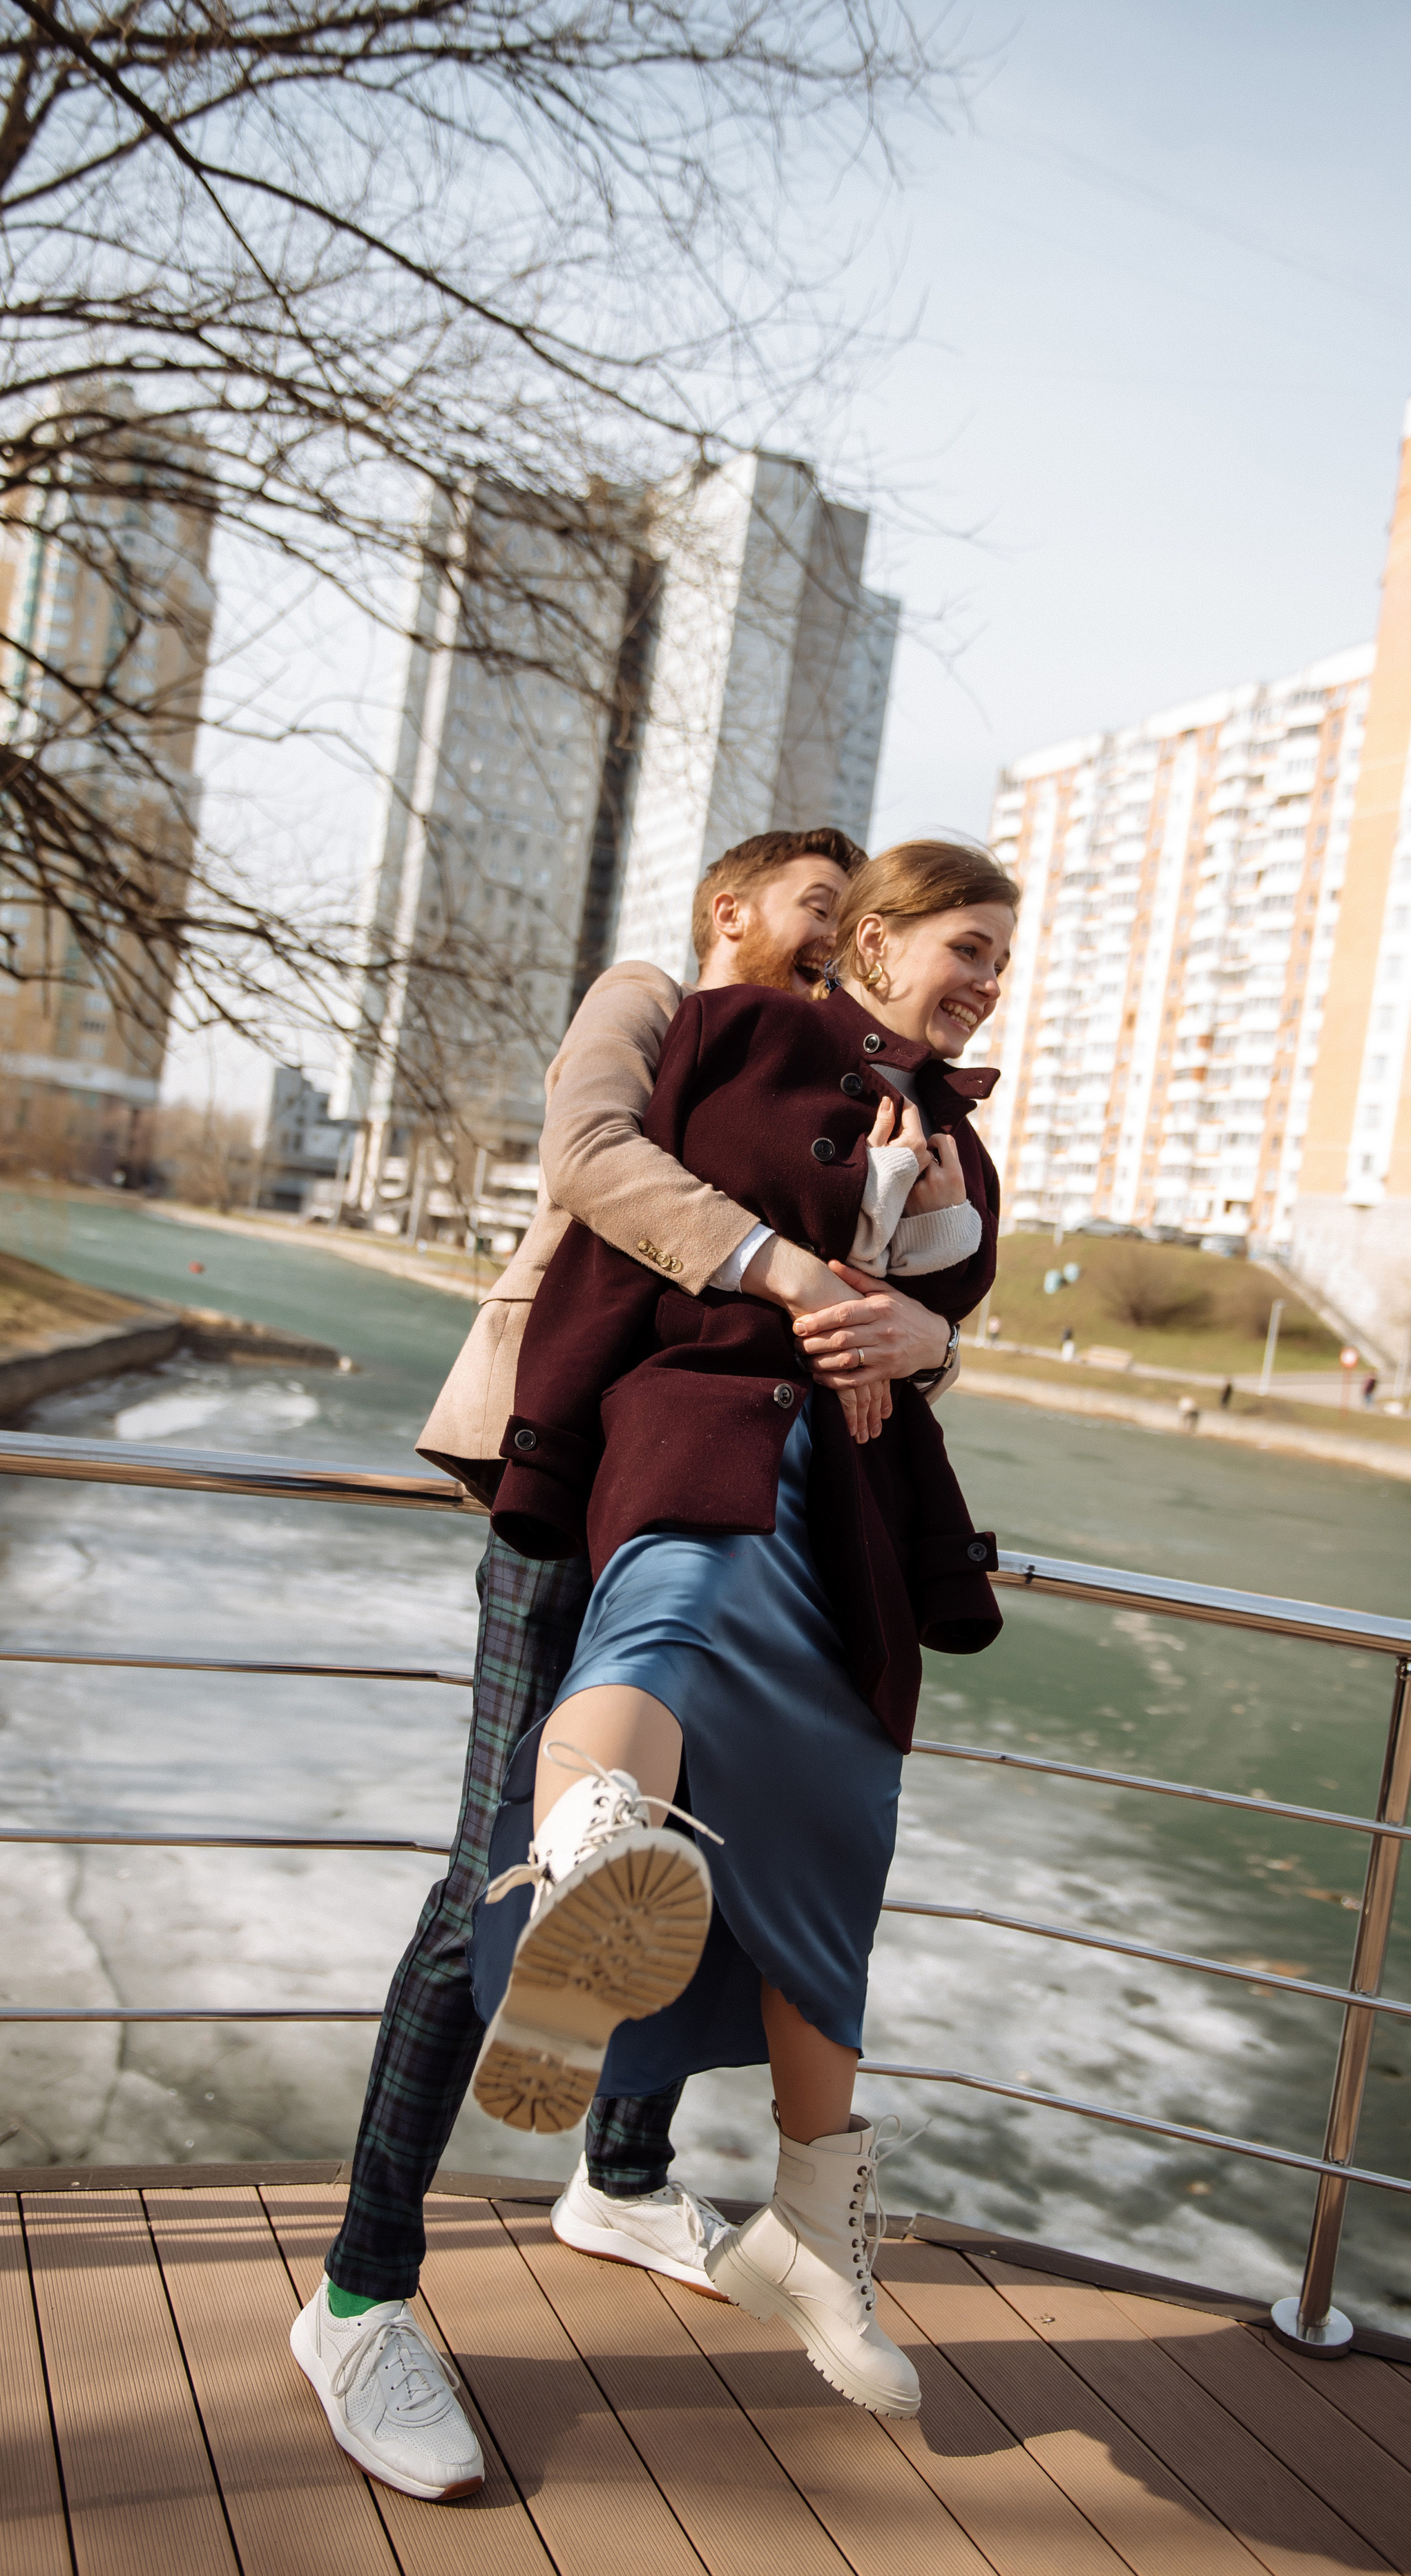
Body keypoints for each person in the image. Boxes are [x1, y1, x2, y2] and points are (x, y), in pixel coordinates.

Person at [291, 829, 961, 2501]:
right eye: (821, 910)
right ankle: (360, 2301)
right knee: (508, 1875)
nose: (836, 946)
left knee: (705, 1838)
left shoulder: (871, 1087)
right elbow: (589, 1154)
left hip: (761, 1497)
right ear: (736, 907)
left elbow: (896, 1299)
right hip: (575, 1470)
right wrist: (792, 1265)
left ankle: (618, 2172)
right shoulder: (656, 999)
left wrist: (923, 1317)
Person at [470, 840, 1017, 2422]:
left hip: (849, 1502)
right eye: (963, 945)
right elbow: (622, 1207)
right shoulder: (713, 1031)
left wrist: (916, 1317)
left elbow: (955, 1287)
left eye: (1000, 957)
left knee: (834, 1839)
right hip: (699, 1426)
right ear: (872, 939)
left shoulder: (958, 1121)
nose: (984, 978)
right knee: (661, 1632)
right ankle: (584, 1889)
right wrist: (813, 1277)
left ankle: (816, 2245)